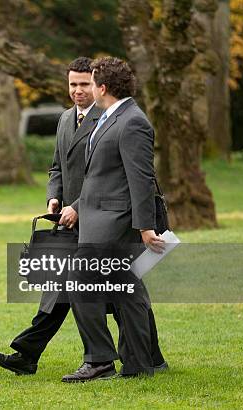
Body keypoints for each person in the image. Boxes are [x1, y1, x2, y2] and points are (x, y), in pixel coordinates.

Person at [0, 57, 102, 374]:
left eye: (84, 84)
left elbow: (104, 178)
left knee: (114, 295)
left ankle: (140, 355)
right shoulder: (65, 119)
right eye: (73, 84)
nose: (78, 90)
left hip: (98, 220)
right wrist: (53, 198)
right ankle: (26, 355)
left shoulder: (108, 119)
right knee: (58, 289)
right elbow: (56, 167)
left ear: (97, 84)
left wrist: (76, 206)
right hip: (65, 222)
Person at [62, 56, 166, 382]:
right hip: (98, 219)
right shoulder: (111, 116)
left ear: (102, 87)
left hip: (113, 223)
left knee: (78, 283)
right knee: (127, 292)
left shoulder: (132, 121)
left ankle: (99, 361)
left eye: (90, 82)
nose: (87, 87)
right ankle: (139, 364)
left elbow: (141, 179)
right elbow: (103, 174)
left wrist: (146, 227)